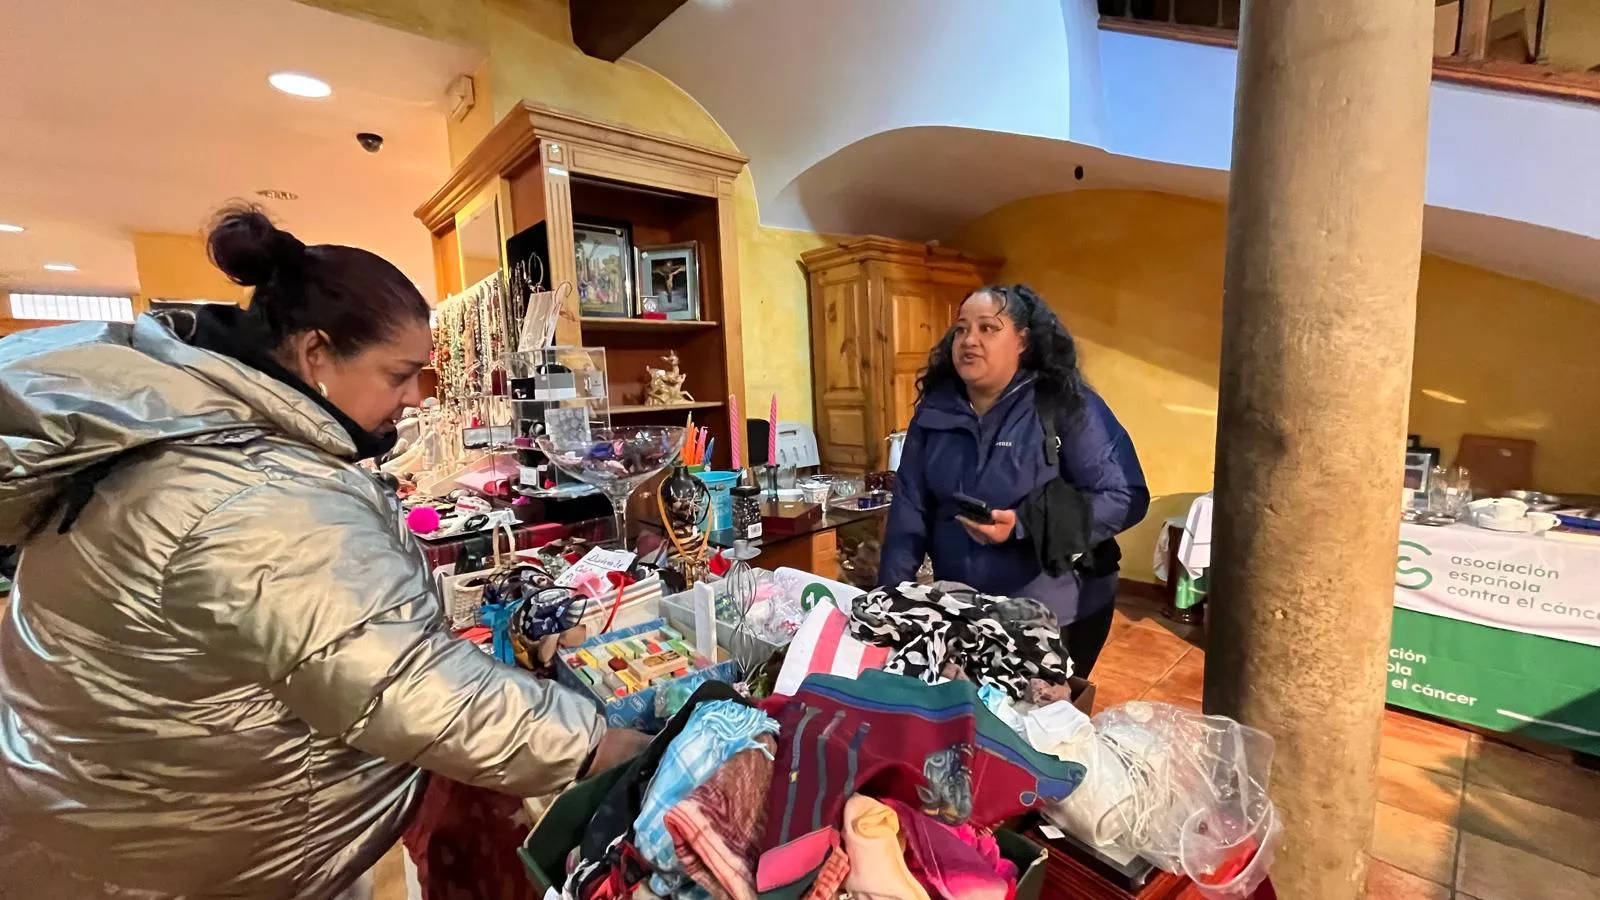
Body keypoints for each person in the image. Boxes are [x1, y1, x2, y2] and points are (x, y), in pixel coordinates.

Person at [0, 207, 646, 899]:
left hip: (141, 822)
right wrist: (592, 746)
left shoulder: (203, 438)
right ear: (315, 355)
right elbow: (404, 682)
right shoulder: (254, 493)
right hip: (172, 856)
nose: (411, 397)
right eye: (398, 375)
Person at [878, 284, 1149, 678]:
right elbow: (909, 510)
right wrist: (890, 601)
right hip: (965, 611)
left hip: (1057, 613)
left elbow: (1126, 496)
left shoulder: (1064, 404)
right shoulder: (934, 413)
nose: (969, 340)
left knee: (1035, 728)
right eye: (961, 329)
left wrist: (1023, 525)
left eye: (988, 328)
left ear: (1023, 340)